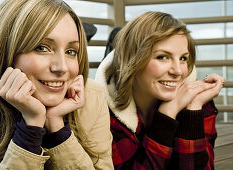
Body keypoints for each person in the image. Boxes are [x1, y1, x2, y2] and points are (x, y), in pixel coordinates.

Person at [0, 0, 113, 169]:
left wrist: (57, 128)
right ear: (4, 51)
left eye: (71, 51)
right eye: (42, 47)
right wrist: (30, 128)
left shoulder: (92, 96)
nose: (62, 67)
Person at [95, 11, 225, 170]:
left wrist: (192, 112)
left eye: (183, 58)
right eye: (163, 57)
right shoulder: (101, 112)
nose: (177, 71)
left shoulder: (198, 102)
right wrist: (166, 117)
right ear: (132, 59)